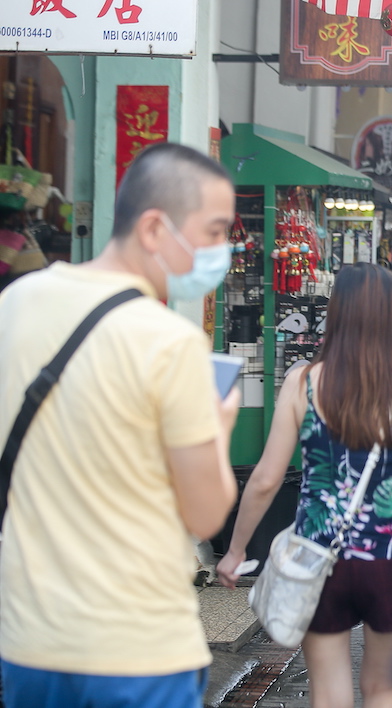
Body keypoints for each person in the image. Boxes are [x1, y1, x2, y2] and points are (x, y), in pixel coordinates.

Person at [0, 143, 240, 708]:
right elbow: (205, 513)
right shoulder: (168, 341)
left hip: (30, 639)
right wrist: (219, 424)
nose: (223, 251)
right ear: (155, 228)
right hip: (138, 647)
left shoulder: (15, 304)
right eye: (214, 231)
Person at [217, 263, 392, 708]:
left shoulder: (305, 381)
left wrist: (237, 550)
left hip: (319, 557)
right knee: (384, 688)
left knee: (328, 690)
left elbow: (265, 480)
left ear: (336, 313)